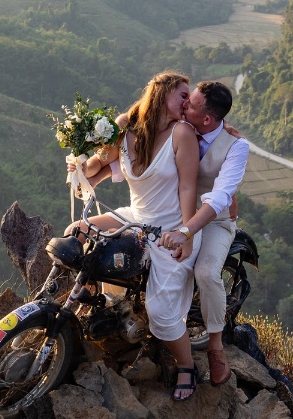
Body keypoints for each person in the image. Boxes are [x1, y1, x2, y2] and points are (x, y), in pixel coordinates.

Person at [65, 72, 202, 402]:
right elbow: (99, 167)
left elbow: (188, 186)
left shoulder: (182, 133)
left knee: (162, 314)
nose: (188, 102)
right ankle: (94, 303)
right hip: (135, 217)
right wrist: (80, 169)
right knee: (76, 233)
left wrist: (186, 234)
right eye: (183, 95)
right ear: (162, 92)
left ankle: (186, 366)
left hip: (169, 227)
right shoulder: (125, 132)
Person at [160, 80, 249, 386]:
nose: (184, 105)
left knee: (207, 272)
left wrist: (187, 231)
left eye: (192, 105)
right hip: (172, 212)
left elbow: (220, 196)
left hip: (214, 222)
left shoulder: (237, 147)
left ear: (208, 119)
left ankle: (215, 347)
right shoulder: (180, 124)